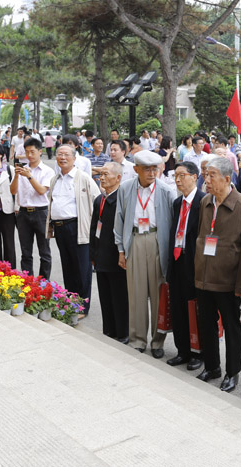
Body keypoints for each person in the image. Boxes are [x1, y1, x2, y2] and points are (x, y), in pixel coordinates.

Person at [194, 157, 241, 392]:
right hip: (204, 275)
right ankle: (212, 366)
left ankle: (232, 372)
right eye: (206, 175)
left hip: (228, 279)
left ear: (227, 179)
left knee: (231, 327)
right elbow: (201, 236)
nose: (207, 180)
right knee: (206, 324)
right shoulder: (205, 202)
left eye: (212, 175)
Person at [114, 150, 176, 357]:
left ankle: (158, 342)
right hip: (135, 240)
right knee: (136, 293)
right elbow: (119, 219)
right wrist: (121, 249)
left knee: (159, 293)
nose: (151, 173)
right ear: (136, 169)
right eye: (146, 169)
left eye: (154, 169)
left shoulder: (166, 191)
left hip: (158, 240)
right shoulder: (125, 188)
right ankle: (137, 339)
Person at [46, 144, 101, 315]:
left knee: (82, 268)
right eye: (59, 154)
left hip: (77, 227)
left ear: (74, 158)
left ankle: (83, 306)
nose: (62, 158)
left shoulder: (83, 178)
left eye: (66, 155)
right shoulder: (55, 179)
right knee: (67, 266)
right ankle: (71, 303)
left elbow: (97, 200)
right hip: (60, 228)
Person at [166, 162, 205, 370]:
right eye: (176, 176)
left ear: (194, 177)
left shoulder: (203, 202)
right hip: (177, 260)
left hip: (194, 263)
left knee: (195, 310)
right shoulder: (177, 203)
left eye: (182, 175)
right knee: (178, 308)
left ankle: (198, 352)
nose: (178, 180)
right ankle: (182, 350)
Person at [90, 162, 129, 343]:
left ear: (118, 178)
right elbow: (94, 228)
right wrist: (92, 253)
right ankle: (109, 329)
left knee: (119, 295)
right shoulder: (100, 199)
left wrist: (123, 253)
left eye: (106, 174)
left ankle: (123, 332)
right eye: (101, 174)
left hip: (116, 255)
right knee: (104, 295)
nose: (102, 177)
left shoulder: (122, 199)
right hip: (101, 254)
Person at [10, 137, 54, 279]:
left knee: (44, 251)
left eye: (32, 152)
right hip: (23, 213)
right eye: (27, 152)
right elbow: (12, 191)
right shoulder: (22, 169)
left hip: (41, 212)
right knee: (25, 251)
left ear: (40, 151)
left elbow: (41, 191)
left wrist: (29, 176)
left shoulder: (47, 171)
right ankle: (27, 281)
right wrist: (16, 176)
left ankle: (44, 282)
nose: (29, 155)